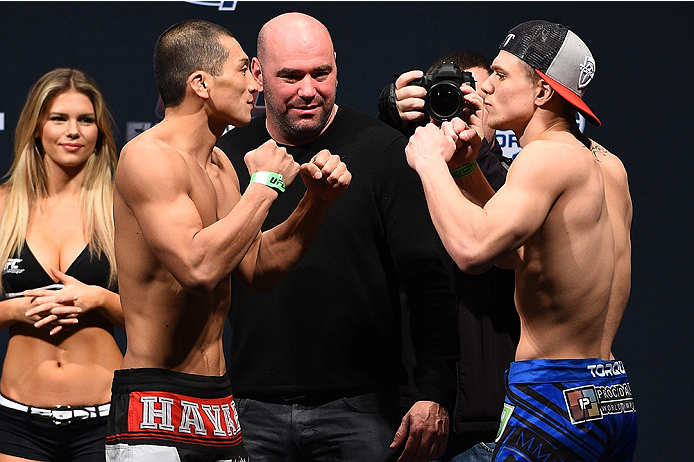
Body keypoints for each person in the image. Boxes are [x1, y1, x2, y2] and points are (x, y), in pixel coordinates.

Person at [217, 12, 459, 462]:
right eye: (290, 76)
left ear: (337, 68)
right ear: (257, 73)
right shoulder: (227, 158)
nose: (308, 90)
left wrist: (436, 390)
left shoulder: (384, 149)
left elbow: (429, 283)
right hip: (249, 408)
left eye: (320, 73)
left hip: (364, 409)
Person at [104, 19, 350, 462]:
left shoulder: (219, 164)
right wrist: (266, 184)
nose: (255, 84)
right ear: (200, 83)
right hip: (156, 402)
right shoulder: (147, 156)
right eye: (242, 70)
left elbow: (257, 268)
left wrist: (316, 203)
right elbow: (198, 269)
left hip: (219, 405)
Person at [405, 20, 637, 461]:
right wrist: (468, 170)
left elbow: (472, 251)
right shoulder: (609, 165)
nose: (484, 87)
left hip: (552, 400)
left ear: (543, 92)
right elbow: (515, 255)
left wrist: (430, 162)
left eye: (500, 74)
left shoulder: (544, 156)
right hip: (610, 396)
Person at [379, 52, 519, 462]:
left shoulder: (519, 176)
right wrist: (391, 125)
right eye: (446, 98)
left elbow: (503, 237)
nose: (457, 110)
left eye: (471, 98)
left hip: (493, 421)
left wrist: (476, 156)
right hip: (409, 412)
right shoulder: (407, 168)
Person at [0, 68, 123, 461]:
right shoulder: (4, 206)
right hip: (19, 422)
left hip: (106, 418)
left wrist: (98, 299)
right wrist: (18, 308)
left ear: (100, 131)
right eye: (59, 118)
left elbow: (158, 318)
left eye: (86, 120)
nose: (73, 131)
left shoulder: (121, 208)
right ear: (37, 127)